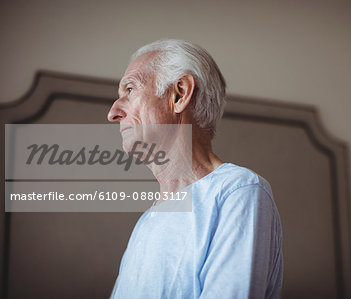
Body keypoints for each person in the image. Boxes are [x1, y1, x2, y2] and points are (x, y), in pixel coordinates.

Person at [107, 39, 283, 299]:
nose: (113, 112)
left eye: (130, 89)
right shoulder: (147, 221)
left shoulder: (238, 192)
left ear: (179, 94)